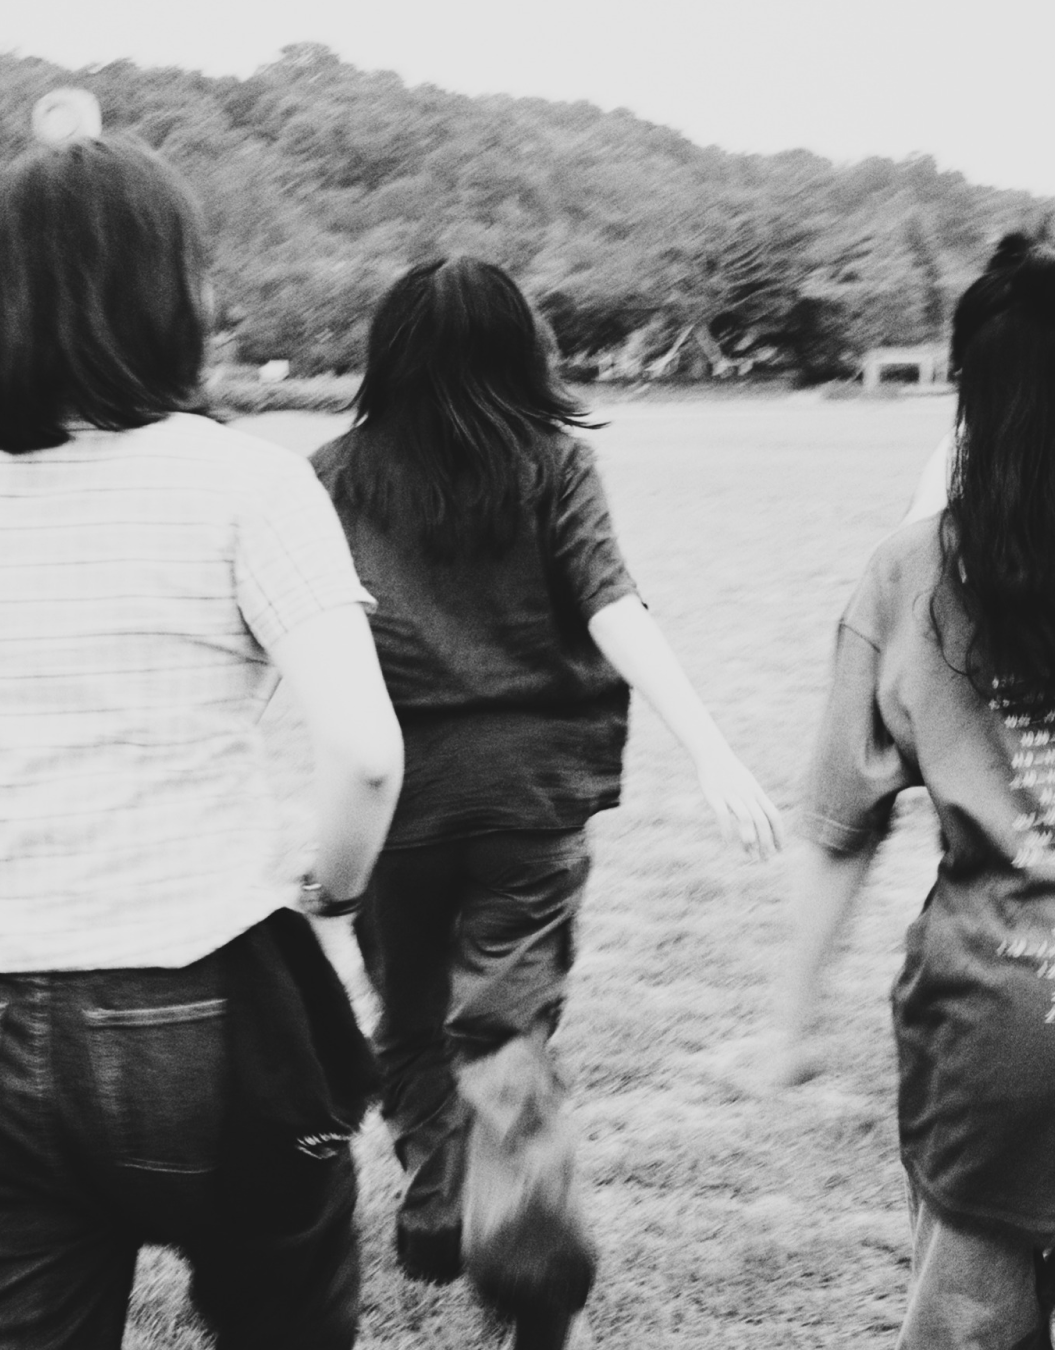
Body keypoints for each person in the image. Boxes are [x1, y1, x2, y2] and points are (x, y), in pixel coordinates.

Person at [311, 256, 782, 1349]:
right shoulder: (555, 464)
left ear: (389, 354)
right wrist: (710, 747)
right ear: (524, 350)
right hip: (531, 799)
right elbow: (612, 605)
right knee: (503, 1023)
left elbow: (305, 641)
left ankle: (439, 1188)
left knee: (408, 1014)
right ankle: (524, 1243)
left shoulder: (333, 475)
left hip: (398, 802)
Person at [0, 121, 404, 1349]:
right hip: (204, 999)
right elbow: (366, 753)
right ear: (177, 291)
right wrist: (337, 886)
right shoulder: (249, 483)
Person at [784, 233, 1055, 1349]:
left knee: (968, 1322)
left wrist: (791, 1015)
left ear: (970, 392)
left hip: (996, 1030)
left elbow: (838, 827)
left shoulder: (910, 571)